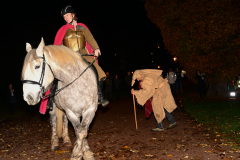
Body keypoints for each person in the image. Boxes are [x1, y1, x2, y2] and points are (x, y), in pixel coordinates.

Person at [53, 5, 109, 107]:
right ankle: (51, 100)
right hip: (69, 55)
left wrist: (96, 48)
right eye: (64, 16)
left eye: (67, 15)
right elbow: (58, 45)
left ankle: (99, 96)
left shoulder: (82, 27)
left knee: (100, 73)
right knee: (57, 73)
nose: (66, 17)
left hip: (83, 54)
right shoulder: (63, 29)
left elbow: (90, 38)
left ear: (73, 15)